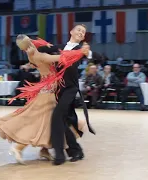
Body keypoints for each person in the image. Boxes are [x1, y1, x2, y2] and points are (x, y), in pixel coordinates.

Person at [0, 35, 89, 164]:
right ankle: (18, 148)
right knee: (38, 122)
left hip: (48, 91)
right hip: (47, 94)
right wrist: (80, 52)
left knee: (49, 123)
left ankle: (45, 150)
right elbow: (61, 57)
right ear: (31, 43)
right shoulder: (40, 56)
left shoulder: (31, 55)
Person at [38, 24, 101, 165]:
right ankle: (75, 150)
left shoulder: (80, 49)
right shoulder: (59, 47)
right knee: (63, 122)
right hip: (58, 89)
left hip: (70, 89)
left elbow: (99, 58)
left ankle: (59, 155)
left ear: (83, 37)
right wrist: (30, 44)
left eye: (83, 32)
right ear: (71, 31)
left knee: (56, 117)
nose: (80, 32)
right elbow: (41, 49)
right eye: (78, 29)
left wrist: (88, 53)